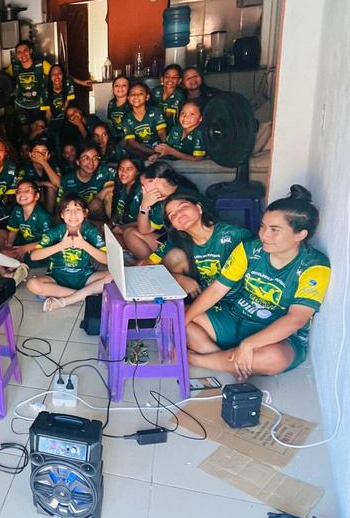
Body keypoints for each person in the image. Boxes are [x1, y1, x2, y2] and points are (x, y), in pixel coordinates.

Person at [184, 186, 331, 380]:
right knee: (185, 317)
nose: (264, 235)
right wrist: (183, 321)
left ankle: (196, 359)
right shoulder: (249, 249)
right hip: (236, 317)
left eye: (274, 230)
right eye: (263, 226)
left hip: (276, 333)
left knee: (273, 359)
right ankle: (232, 362)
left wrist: (249, 344)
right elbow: (217, 289)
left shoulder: (314, 265)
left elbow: (296, 319)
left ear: (300, 235)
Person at [146, 192, 250, 299]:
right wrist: (177, 278)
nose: (179, 214)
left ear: (199, 208)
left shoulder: (234, 234)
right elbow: (147, 267)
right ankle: (179, 302)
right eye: (173, 215)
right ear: (176, 227)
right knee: (175, 255)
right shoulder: (175, 240)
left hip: (235, 298)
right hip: (199, 295)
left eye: (183, 207)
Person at [27, 192, 112, 312]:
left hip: (84, 276)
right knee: (32, 284)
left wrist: (83, 244)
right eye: (68, 210)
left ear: (85, 213)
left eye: (77, 209)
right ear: (62, 214)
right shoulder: (57, 231)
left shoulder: (90, 231)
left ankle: (65, 300)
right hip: (58, 277)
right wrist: (62, 245)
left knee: (113, 277)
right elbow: (34, 256)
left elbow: (108, 260)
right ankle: (84, 295)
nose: (73, 214)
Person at [121, 162, 198, 261]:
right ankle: (146, 265)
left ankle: (145, 265)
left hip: (189, 248)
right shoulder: (162, 200)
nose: (142, 190)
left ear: (156, 182)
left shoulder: (180, 197)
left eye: (143, 185)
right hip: (172, 242)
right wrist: (144, 206)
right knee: (130, 233)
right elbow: (144, 230)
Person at [0, 179, 55, 264]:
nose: (22, 194)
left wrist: (24, 248)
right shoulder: (17, 211)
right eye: (19, 191)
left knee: (33, 255)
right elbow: (13, 231)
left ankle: (14, 260)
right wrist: (9, 245)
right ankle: (10, 258)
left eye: (27, 191)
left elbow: (49, 241)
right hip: (25, 241)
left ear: (37, 196)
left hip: (40, 245)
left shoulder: (42, 216)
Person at [56, 141, 116, 220]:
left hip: (101, 217)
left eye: (95, 158)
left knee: (98, 202)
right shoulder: (68, 180)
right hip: (75, 218)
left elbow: (124, 183)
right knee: (95, 204)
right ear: (77, 161)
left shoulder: (104, 172)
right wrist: (103, 192)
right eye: (86, 158)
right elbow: (60, 207)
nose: (91, 163)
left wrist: (106, 190)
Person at [4, 40, 52, 127]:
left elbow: (58, 74)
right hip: (21, 104)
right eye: (19, 52)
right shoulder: (14, 67)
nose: (23, 54)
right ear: (17, 55)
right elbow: (1, 78)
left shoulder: (41, 65)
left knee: (39, 126)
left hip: (39, 103)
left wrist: (78, 82)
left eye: (25, 51)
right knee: (24, 128)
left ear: (31, 51)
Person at [123, 82, 168, 159]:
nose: (136, 96)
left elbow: (162, 134)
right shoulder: (126, 118)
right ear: (128, 98)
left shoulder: (156, 112)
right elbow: (132, 142)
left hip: (159, 148)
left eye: (140, 93)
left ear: (147, 97)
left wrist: (161, 151)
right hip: (141, 151)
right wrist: (152, 152)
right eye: (132, 94)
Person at [106, 158, 145, 245]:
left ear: (138, 172)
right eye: (121, 169)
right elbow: (117, 212)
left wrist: (123, 227)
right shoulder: (121, 186)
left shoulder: (142, 191)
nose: (123, 173)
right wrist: (110, 225)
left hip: (136, 232)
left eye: (129, 169)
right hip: (122, 227)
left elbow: (148, 221)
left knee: (109, 239)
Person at [17, 139, 61, 210]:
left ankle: (48, 215)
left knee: (51, 188)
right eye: (37, 152)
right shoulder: (25, 168)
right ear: (30, 155)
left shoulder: (53, 166)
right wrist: (42, 184)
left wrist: (44, 163)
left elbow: (58, 184)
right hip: (33, 199)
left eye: (43, 153)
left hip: (51, 200)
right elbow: (19, 185)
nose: (40, 155)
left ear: (48, 156)